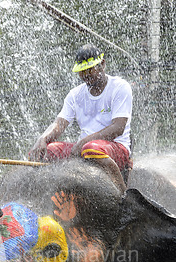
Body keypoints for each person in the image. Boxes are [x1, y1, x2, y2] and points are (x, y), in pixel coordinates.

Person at [28, 43, 133, 190]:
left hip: (114, 148)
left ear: (102, 64)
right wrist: (43, 139)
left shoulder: (120, 87)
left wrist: (84, 142)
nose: (85, 75)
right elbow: (59, 124)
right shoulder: (75, 94)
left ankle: (122, 193)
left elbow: (118, 127)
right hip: (84, 149)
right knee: (47, 151)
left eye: (90, 69)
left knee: (91, 148)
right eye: (81, 71)